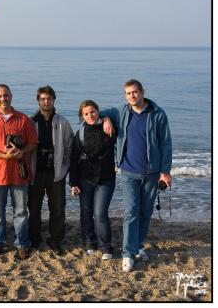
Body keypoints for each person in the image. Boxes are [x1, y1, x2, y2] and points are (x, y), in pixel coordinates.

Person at [101, 79, 172, 272]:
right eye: (127, 93)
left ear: (142, 92)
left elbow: (166, 143)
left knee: (145, 212)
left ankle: (138, 245)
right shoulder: (122, 111)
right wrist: (106, 119)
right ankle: (127, 254)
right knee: (131, 212)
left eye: (134, 92)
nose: (131, 96)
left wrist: (165, 172)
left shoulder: (157, 114)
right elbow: (97, 112)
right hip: (128, 171)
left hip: (152, 172)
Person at [0, 84, 38, 260]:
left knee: (20, 211)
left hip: (19, 173)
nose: (3, 99)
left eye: (5, 95)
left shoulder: (23, 119)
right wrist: (4, 156)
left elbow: (33, 143)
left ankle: (22, 243)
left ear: (11, 96)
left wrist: (22, 151)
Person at [28, 86, 73, 255]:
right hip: (35, 173)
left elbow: (70, 147)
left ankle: (55, 240)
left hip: (56, 173)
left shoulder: (62, 122)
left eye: (49, 98)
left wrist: (63, 168)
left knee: (58, 209)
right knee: (33, 209)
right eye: (43, 99)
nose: (46, 102)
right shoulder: (31, 121)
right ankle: (35, 239)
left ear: (54, 100)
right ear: (38, 100)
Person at [69, 100, 116, 260]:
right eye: (86, 114)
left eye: (93, 112)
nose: (90, 116)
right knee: (86, 212)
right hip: (85, 178)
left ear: (98, 111)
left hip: (106, 179)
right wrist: (73, 183)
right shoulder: (80, 133)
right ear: (82, 116)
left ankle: (106, 247)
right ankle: (89, 243)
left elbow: (117, 113)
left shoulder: (110, 128)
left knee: (100, 213)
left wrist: (107, 118)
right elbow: (74, 159)